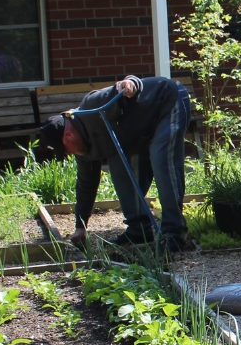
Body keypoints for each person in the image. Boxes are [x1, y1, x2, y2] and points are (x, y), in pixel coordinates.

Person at [38, 74, 192, 251]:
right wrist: (80, 227)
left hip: (167, 102)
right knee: (119, 164)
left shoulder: (92, 106)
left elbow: (126, 85)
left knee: (161, 160)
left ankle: (174, 234)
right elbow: (86, 185)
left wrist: (130, 84)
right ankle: (139, 230)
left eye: (64, 149)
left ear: (68, 135)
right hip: (141, 129)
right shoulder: (84, 150)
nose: (67, 153)